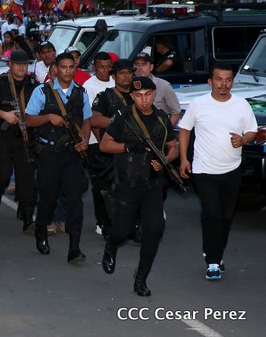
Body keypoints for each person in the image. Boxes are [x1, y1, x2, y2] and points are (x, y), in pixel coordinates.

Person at [178, 64, 258, 281]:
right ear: (210, 81)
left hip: (232, 169)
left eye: (228, 79)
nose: (224, 84)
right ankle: (213, 261)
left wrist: (243, 140)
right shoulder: (198, 104)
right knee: (211, 213)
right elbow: (185, 130)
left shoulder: (241, 104)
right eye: (219, 79)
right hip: (204, 169)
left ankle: (216, 252)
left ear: (233, 81)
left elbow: (252, 131)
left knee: (225, 216)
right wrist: (184, 159)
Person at [99, 76, 178, 296]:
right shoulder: (123, 117)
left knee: (154, 231)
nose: (144, 100)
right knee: (122, 231)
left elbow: (173, 147)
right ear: (132, 96)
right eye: (138, 96)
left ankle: (141, 278)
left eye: (148, 95)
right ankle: (111, 245)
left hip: (152, 185)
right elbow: (105, 145)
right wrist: (128, 147)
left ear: (154, 94)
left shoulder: (162, 118)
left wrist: (164, 160)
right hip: (128, 183)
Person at [25, 52, 92, 263]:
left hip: (72, 154)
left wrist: (85, 140)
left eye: (71, 67)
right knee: (48, 197)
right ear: (56, 69)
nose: (68, 71)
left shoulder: (81, 93)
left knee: (74, 200)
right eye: (64, 67)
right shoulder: (42, 91)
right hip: (49, 154)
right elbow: (28, 120)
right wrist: (48, 117)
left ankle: (75, 247)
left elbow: (87, 121)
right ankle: (41, 231)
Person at [0, 50, 39, 231]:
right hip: (3, 137)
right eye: (18, 64)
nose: (22, 68)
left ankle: (27, 215)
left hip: (25, 136)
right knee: (2, 174)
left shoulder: (33, 84)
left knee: (27, 177)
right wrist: (4, 115)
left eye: (24, 64)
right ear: (10, 64)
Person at [88, 58, 135, 237]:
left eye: (129, 73)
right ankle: (104, 223)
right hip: (108, 152)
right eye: (122, 73)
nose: (126, 76)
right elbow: (94, 120)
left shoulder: (138, 96)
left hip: (132, 151)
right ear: (114, 76)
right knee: (104, 189)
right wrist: (119, 123)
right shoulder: (105, 96)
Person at [132, 52, 180, 125]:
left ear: (151, 67)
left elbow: (176, 113)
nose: (140, 68)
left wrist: (166, 130)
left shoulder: (164, 86)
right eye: (137, 65)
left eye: (143, 64)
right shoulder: (129, 86)